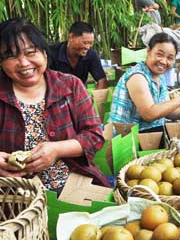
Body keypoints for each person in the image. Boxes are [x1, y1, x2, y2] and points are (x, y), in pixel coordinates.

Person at [0, 17, 108, 190]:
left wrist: (57, 149)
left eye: (30, 52)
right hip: (16, 194)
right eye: (11, 56)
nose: (23, 63)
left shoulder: (71, 85)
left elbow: (94, 136)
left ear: (44, 53)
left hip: (72, 185)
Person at [110, 33, 180, 131]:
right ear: (148, 51)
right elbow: (149, 114)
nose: (163, 61)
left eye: (170, 58)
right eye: (159, 54)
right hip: (127, 139)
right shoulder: (137, 76)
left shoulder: (160, 77)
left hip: (151, 135)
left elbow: (166, 111)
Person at [49, 21, 108, 89]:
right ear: (71, 37)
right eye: (85, 42)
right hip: (55, 95)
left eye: (91, 43)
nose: (87, 47)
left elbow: (102, 80)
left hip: (79, 95)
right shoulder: (52, 53)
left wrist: (95, 97)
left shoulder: (91, 54)